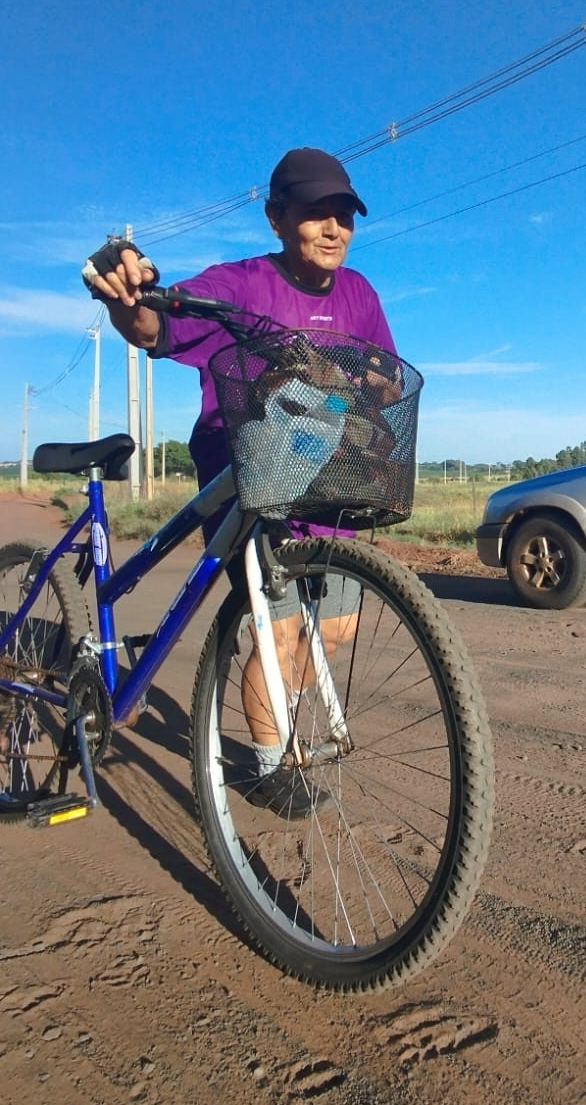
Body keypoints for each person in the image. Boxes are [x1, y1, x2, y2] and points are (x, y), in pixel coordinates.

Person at [84, 147, 399, 810]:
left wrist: (370, 378)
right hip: (249, 469)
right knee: (279, 631)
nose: (334, 226)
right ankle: (268, 765)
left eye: (344, 213)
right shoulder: (241, 285)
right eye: (316, 212)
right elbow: (155, 327)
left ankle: (275, 690)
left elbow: (387, 371)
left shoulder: (360, 292)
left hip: (330, 476)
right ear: (277, 218)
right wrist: (125, 297)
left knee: (335, 629)